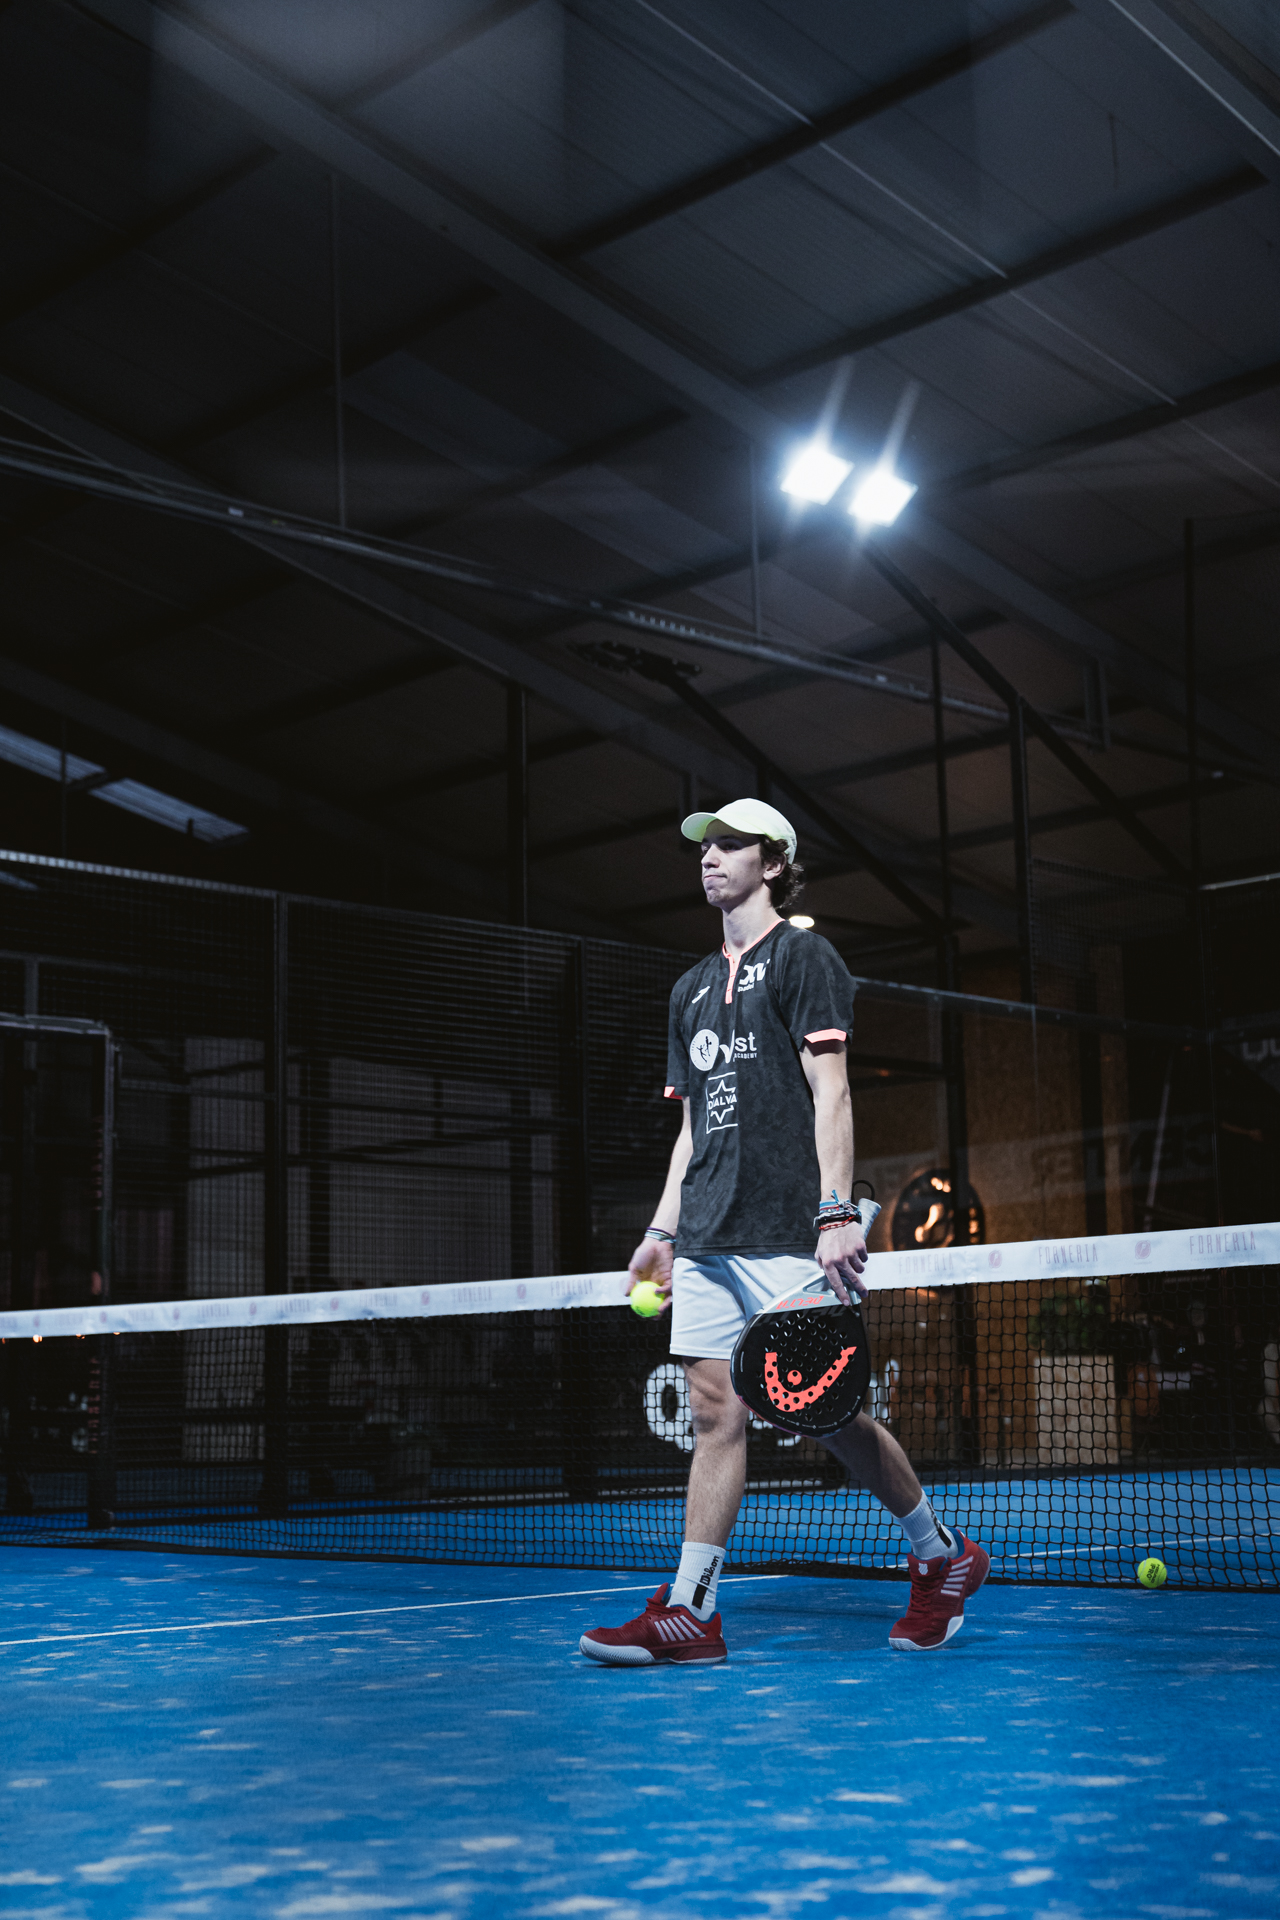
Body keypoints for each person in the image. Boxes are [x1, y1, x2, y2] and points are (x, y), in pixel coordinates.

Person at [579, 799, 988, 1666]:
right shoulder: (689, 989)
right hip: (706, 1235)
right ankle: (692, 1610)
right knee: (713, 1413)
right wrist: (660, 1229)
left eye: (730, 845)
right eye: (704, 845)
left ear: (773, 863)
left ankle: (940, 1555)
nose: (709, 857)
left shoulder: (805, 957)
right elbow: (691, 1129)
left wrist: (836, 1211)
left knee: (828, 1415)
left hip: (787, 1230)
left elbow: (833, 1090)